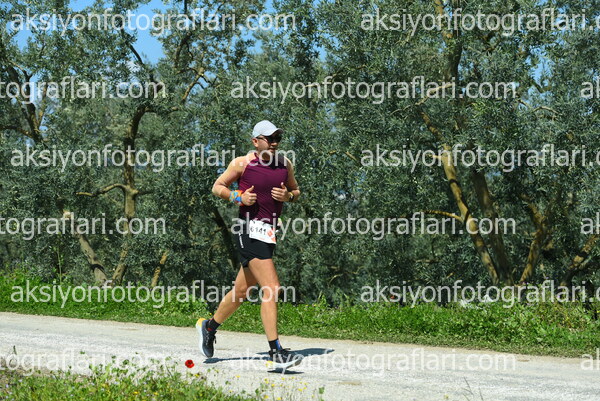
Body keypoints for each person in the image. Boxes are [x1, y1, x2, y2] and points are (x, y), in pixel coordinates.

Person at [196, 120, 303, 370]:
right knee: (272, 288)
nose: (275, 143)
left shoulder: (285, 164)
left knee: (241, 292)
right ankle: (276, 351)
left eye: (277, 138)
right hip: (247, 229)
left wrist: (288, 196)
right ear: (256, 141)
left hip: (269, 233)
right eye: (270, 138)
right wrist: (238, 197)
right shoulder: (242, 163)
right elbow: (217, 187)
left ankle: (209, 327)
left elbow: (296, 191)